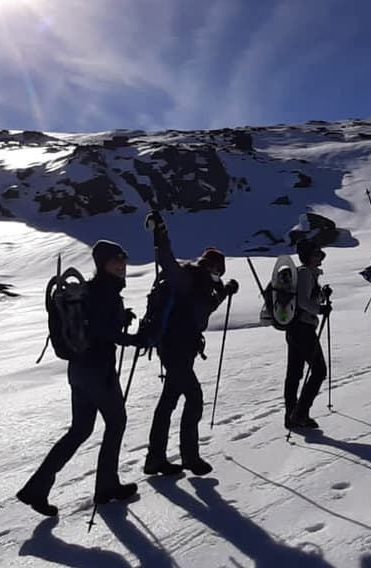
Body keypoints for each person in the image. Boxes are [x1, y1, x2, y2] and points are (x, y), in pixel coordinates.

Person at [16, 240, 144, 517]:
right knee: (116, 421)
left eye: (123, 258)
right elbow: (100, 330)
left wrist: (123, 318)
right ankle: (107, 486)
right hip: (98, 371)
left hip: (79, 371)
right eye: (115, 259)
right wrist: (131, 339)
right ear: (102, 263)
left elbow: (97, 324)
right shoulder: (103, 291)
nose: (122, 264)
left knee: (81, 429)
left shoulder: (93, 290)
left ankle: (37, 488)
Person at [143, 211, 238, 477]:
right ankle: (190, 457)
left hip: (181, 351)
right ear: (207, 265)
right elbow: (166, 262)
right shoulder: (188, 279)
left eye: (218, 272)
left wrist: (227, 290)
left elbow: (207, 305)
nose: (216, 273)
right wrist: (161, 234)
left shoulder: (206, 287)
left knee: (168, 401)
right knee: (194, 398)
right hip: (175, 350)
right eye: (215, 269)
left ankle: (155, 459)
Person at [285, 239, 331, 429]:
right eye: (316, 254)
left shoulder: (305, 273)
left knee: (294, 373)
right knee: (319, 370)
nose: (319, 257)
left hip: (295, 328)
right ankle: (300, 413)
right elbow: (304, 302)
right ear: (309, 256)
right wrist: (320, 309)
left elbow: (306, 298)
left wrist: (321, 295)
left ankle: (291, 415)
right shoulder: (304, 273)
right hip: (303, 328)